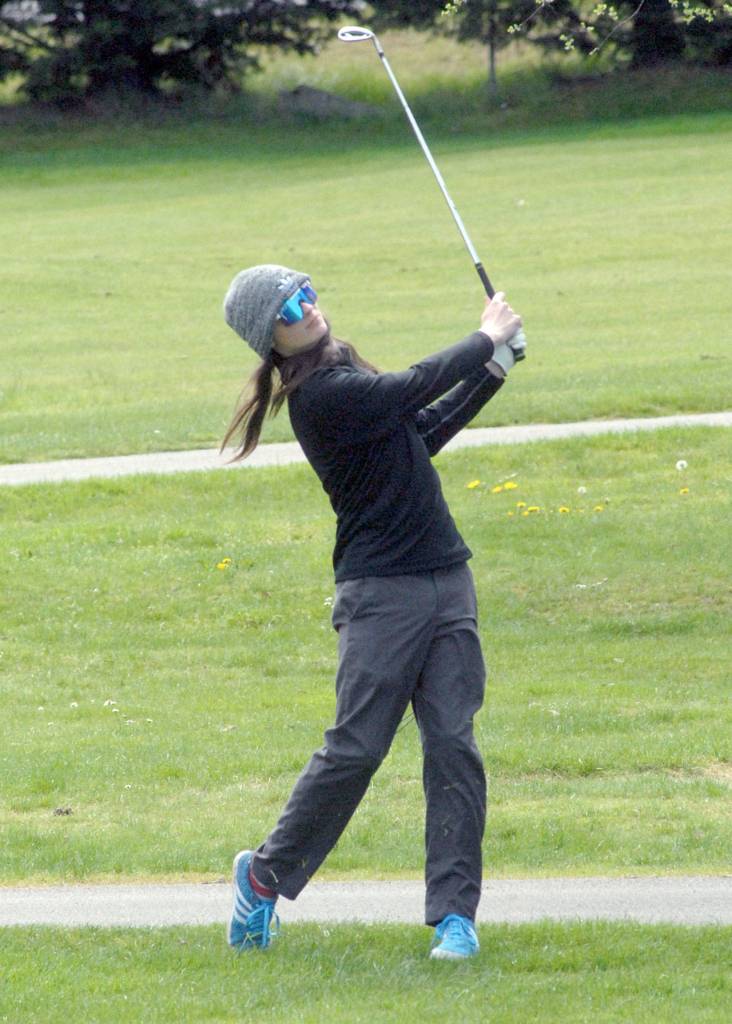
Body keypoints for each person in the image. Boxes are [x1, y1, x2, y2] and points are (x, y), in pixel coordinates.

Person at [221, 263, 524, 960]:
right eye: (289, 307)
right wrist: (484, 339)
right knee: (357, 748)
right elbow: (408, 388)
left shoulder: (342, 366)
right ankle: (263, 877)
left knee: (454, 745)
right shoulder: (321, 396)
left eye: (308, 292)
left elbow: (421, 430)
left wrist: (495, 369)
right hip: (380, 592)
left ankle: (456, 917)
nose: (308, 306)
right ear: (270, 337)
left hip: (447, 576)